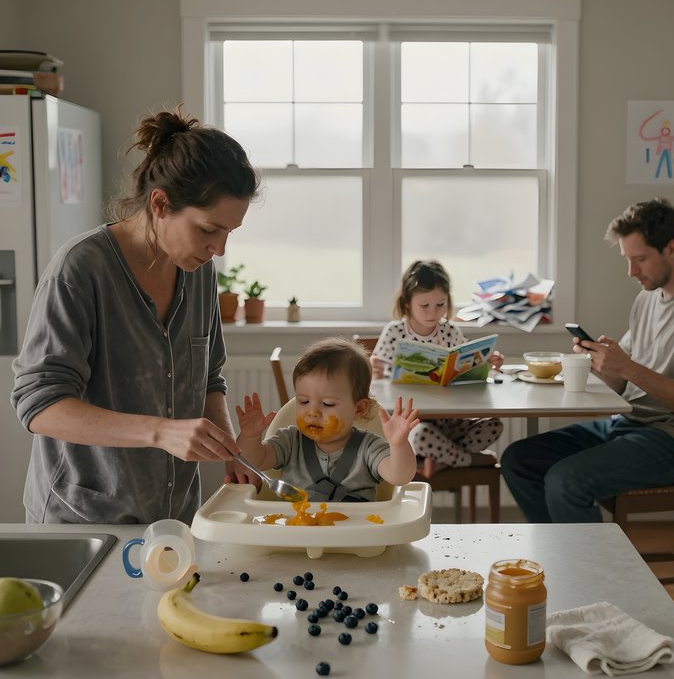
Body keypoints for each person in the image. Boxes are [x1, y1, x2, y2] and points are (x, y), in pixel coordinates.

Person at [11, 106, 260, 524]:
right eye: (208, 229)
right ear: (160, 204)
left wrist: (228, 449)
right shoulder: (80, 270)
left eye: (228, 234)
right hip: (83, 519)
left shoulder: (197, 272)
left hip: (173, 516)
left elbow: (209, 379)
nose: (219, 249)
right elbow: (39, 406)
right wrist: (161, 431)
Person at [501, 198, 674, 523]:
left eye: (640, 259)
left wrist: (627, 366)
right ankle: (564, 559)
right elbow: (621, 381)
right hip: (628, 425)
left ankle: (587, 573)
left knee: (566, 480)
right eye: (628, 259)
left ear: (672, 248)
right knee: (519, 459)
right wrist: (603, 362)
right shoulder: (647, 298)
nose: (632, 272)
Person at [230, 337, 418, 502]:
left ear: (358, 408)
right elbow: (256, 461)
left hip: (355, 538)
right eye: (303, 401)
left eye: (327, 404)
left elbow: (400, 476)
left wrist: (399, 444)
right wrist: (250, 437)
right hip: (295, 536)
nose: (312, 412)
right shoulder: (289, 441)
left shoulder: (368, 447)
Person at [370, 260, 504, 479]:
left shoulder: (450, 331)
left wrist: (488, 362)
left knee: (493, 425)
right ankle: (469, 461)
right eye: (425, 305)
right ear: (406, 303)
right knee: (421, 437)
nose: (433, 312)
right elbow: (376, 384)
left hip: (452, 420)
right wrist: (374, 371)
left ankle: (438, 462)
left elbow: (466, 368)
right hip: (414, 424)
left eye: (440, 304)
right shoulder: (395, 332)